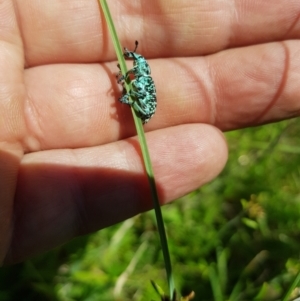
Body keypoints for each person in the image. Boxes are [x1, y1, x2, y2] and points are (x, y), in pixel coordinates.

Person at [1, 0, 299, 265]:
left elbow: (135, 74)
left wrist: (126, 82)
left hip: (143, 104)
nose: (131, 64)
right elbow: (134, 69)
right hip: (140, 98)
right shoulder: (137, 71)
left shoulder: (140, 76)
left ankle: (131, 97)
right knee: (131, 87)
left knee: (133, 90)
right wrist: (126, 71)